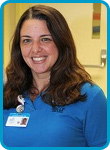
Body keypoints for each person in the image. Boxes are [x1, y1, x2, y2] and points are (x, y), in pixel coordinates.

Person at [3, 5, 107, 147]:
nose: (35, 49)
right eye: (27, 40)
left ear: (61, 42)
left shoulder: (90, 97)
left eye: (45, 39)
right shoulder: (8, 92)